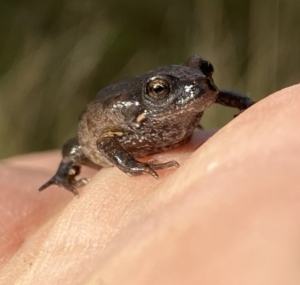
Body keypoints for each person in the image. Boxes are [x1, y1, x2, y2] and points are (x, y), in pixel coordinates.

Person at [1, 84, 300, 284]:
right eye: (159, 90)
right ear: (149, 97)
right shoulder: (128, 120)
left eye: (205, 72)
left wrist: (247, 105)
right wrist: (133, 166)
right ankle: (63, 174)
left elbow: (213, 92)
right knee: (74, 150)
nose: (199, 85)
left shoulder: (194, 91)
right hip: (95, 143)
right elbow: (105, 140)